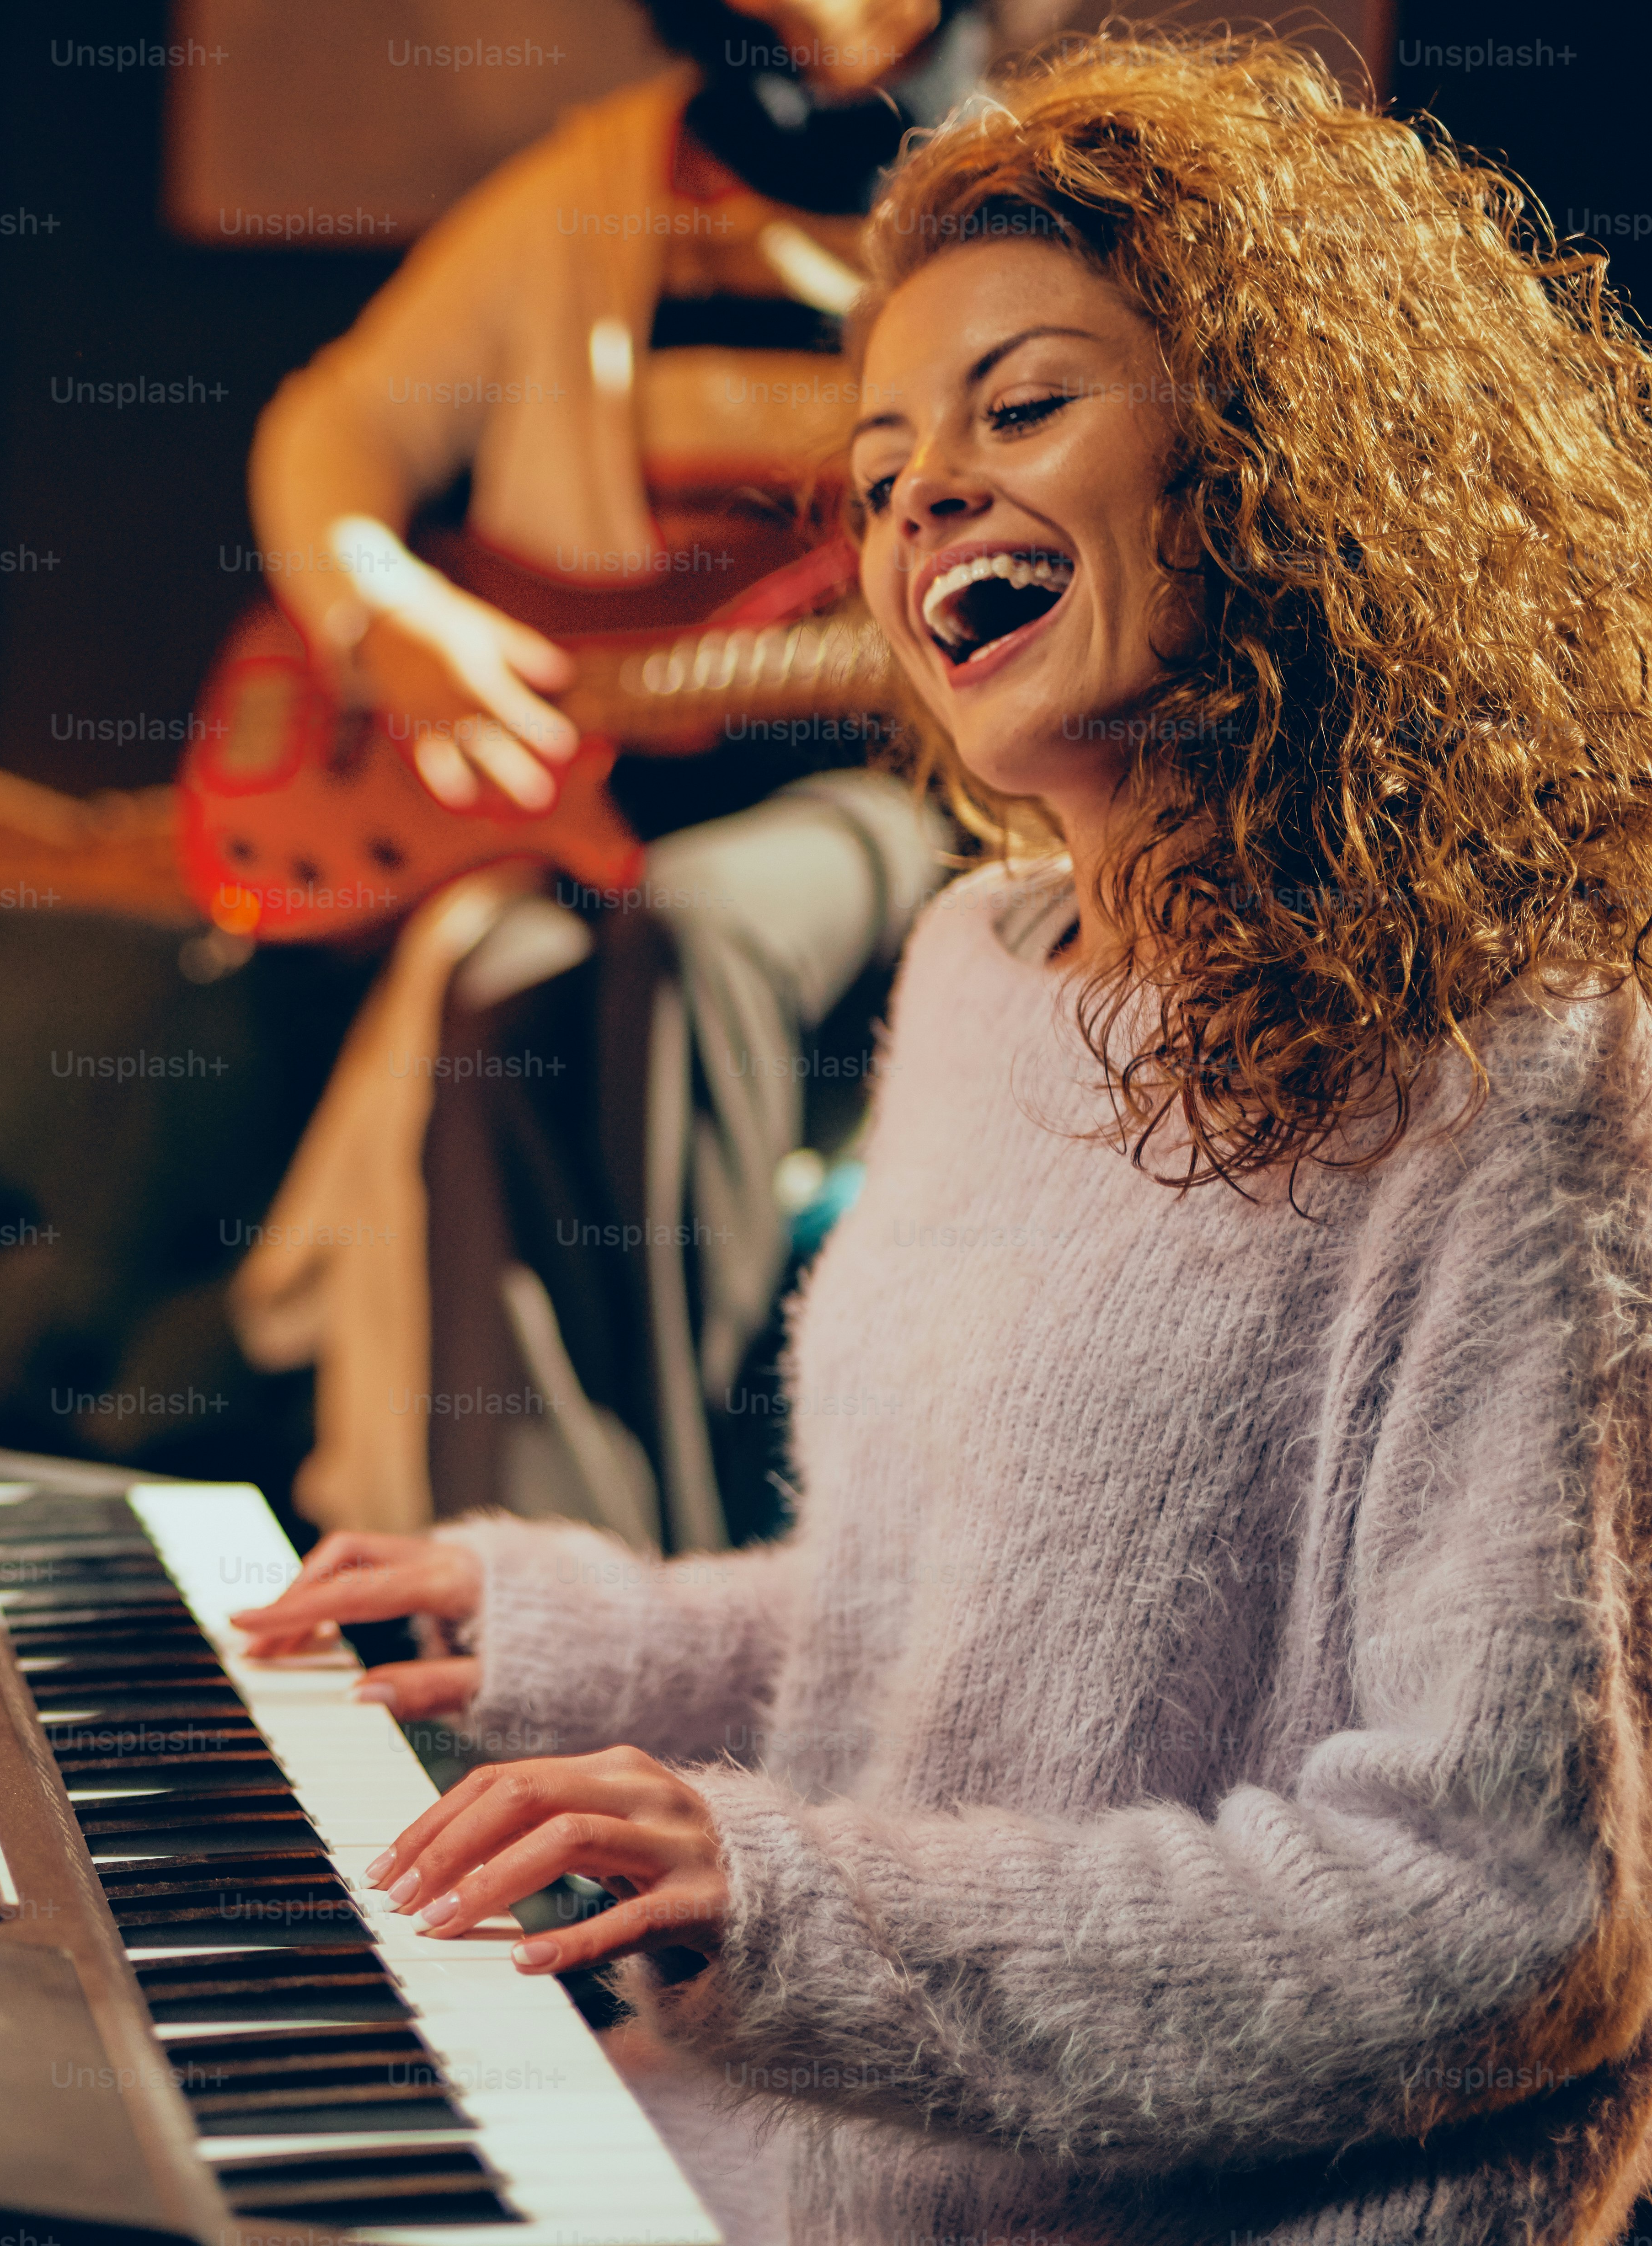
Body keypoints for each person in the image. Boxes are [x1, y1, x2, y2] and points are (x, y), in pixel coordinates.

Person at [237, 33, 1652, 2242]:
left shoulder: (1529, 1075)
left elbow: (1508, 1914)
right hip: (767, 2168)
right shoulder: (991, 968)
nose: (913, 503)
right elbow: (973, 1620)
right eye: (880, 454)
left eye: (1019, 409)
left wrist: (783, 1902)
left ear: (1277, 458)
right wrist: (554, 1635)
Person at [229, 0, 1057, 1552]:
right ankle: (526, 1592)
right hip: (608, 797)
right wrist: (381, 620)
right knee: (496, 991)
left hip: (905, 798)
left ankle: (690, 1600)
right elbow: (333, 427)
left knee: (700, 928)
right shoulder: (597, 190)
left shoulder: (1029, 201)